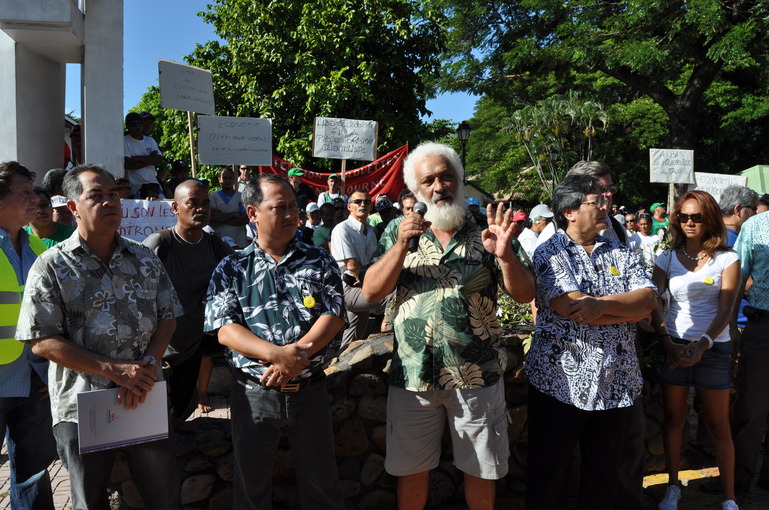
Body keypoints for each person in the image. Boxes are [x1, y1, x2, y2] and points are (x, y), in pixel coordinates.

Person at [362, 142, 535, 510]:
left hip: (477, 375)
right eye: (429, 180)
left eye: (447, 177)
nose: (439, 186)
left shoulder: (486, 230)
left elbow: (524, 294)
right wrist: (402, 247)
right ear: (415, 190)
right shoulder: (398, 229)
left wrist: (504, 256)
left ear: (459, 180)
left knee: (482, 472)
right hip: (413, 375)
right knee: (411, 472)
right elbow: (372, 290)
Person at [16, 163, 183, 510]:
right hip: (82, 407)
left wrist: (149, 364)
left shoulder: (144, 258)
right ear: (74, 207)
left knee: (163, 496)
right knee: (88, 501)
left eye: (113, 194)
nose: (109, 202)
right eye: (96, 195)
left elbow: (167, 317)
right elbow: (41, 340)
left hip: (143, 395)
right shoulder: (51, 266)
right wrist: (114, 370)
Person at [204, 174, 346, 509]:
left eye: (293, 207)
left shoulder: (319, 259)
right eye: (279, 208)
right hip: (254, 393)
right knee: (251, 488)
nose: (290, 215)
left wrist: (297, 357)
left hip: (310, 392)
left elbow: (334, 314)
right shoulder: (231, 267)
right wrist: (276, 355)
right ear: (253, 213)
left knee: (322, 484)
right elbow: (224, 328)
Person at [524, 174, 656, 510]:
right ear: (569, 211)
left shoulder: (619, 250)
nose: (604, 205)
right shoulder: (549, 252)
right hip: (560, 384)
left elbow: (648, 300)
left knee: (604, 478)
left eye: (605, 199)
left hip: (615, 386)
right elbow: (571, 307)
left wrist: (600, 306)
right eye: (595, 200)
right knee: (549, 476)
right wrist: (624, 311)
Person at [650, 190, 740, 510]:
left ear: (710, 219)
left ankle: (729, 497)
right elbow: (653, 302)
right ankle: (673, 487)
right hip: (673, 344)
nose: (688, 222)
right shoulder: (667, 258)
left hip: (713, 347)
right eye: (683, 216)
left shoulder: (727, 258)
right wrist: (667, 343)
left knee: (718, 424)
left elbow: (726, 309)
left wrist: (702, 344)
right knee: (674, 418)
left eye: (696, 217)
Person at [143, 179, 234, 421]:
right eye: (193, 203)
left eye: (206, 203)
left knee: (181, 414)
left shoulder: (217, 245)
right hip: (158, 351)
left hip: (193, 348)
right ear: (175, 208)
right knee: (153, 420)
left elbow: (240, 279)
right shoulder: (159, 245)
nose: (201, 209)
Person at [0, 161, 57, 510]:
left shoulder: (39, 249)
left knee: (33, 472)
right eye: (24, 193)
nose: (34, 199)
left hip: (33, 375)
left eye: (34, 192)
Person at [731, 208, 769, 496]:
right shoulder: (755, 226)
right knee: (751, 407)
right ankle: (738, 481)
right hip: (762, 327)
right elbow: (736, 277)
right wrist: (729, 326)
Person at [330, 189, 390, 349]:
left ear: (371, 207)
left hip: (363, 286)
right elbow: (351, 265)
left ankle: (340, 370)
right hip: (348, 289)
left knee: (353, 341)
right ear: (349, 207)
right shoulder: (342, 229)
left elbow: (374, 263)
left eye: (366, 202)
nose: (362, 204)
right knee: (393, 294)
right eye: (358, 202)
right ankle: (390, 335)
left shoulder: (371, 231)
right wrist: (373, 283)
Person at [123, 112, 163, 197]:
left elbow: (158, 159)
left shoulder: (150, 140)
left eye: (140, 124)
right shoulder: (124, 140)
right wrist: (150, 159)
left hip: (153, 186)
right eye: (134, 125)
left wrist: (138, 158)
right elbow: (129, 164)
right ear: (127, 126)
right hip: (136, 188)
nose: (137, 127)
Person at [209, 167, 249, 248]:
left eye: (230, 178)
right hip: (219, 242)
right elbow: (214, 217)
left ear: (234, 179)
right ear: (219, 179)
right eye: (225, 178)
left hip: (240, 242)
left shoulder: (242, 196)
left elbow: (245, 219)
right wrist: (235, 214)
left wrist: (221, 218)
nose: (228, 180)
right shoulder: (212, 197)